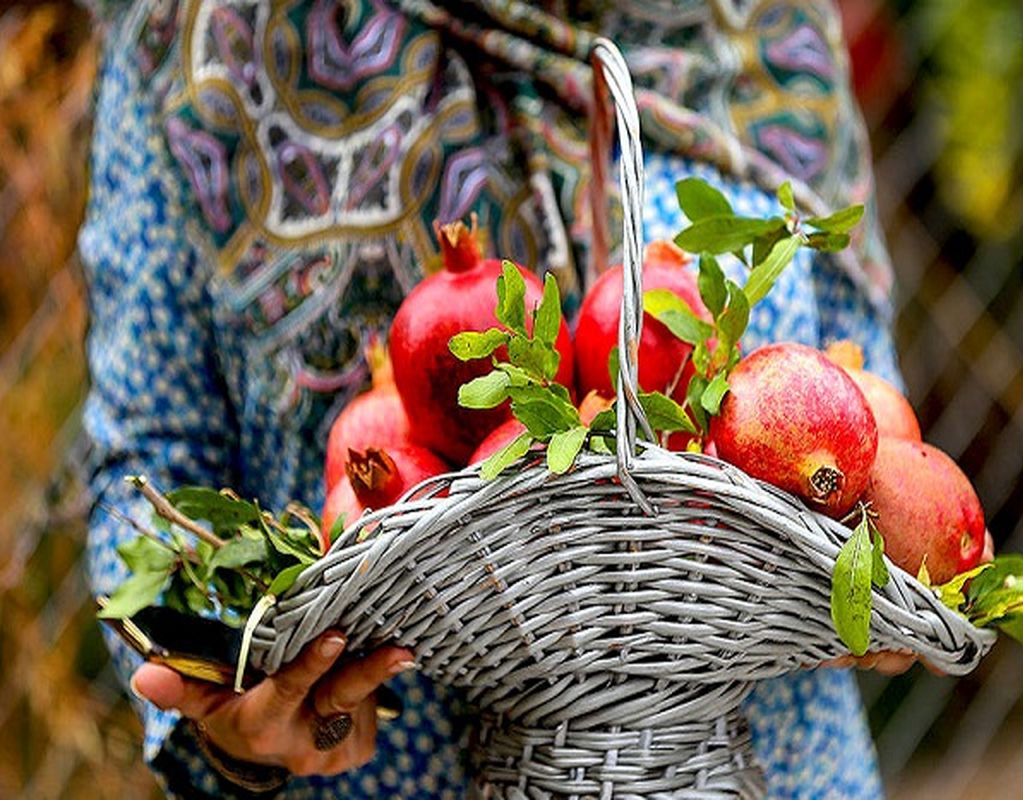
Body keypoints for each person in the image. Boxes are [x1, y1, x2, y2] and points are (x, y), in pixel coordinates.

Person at [83, 0, 907, 796]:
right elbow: (149, 453)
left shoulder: (759, 20)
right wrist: (233, 717)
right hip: (385, 771)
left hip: (769, 769)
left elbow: (866, 393)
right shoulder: (196, 38)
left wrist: (894, 563)